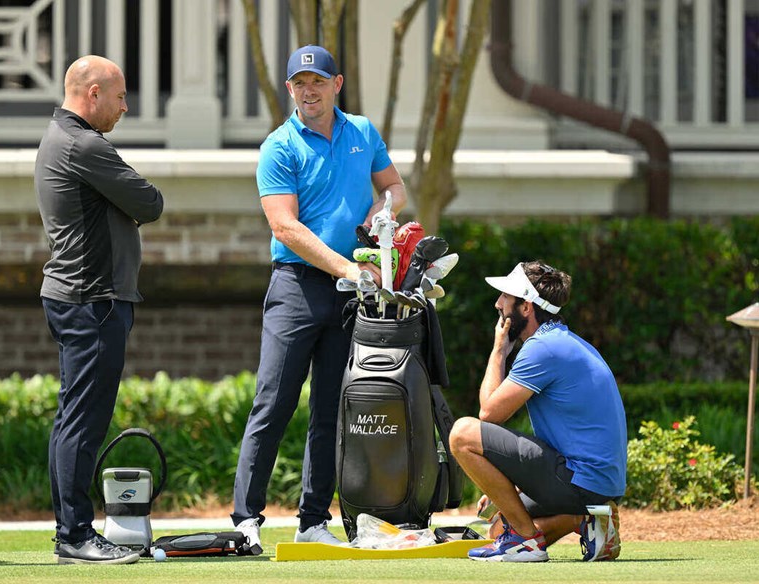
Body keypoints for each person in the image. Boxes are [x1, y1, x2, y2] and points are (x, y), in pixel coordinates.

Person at [231, 45, 408, 554]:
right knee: (274, 403)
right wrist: (349, 268)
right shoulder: (279, 146)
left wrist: (382, 212)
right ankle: (247, 517)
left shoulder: (362, 132)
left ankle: (313, 519)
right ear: (290, 89)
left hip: (350, 293)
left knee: (332, 408)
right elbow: (284, 226)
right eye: (299, 84)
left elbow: (395, 186)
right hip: (297, 288)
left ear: (338, 84)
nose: (309, 91)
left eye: (318, 82)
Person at [35, 55, 164, 565]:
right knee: (82, 423)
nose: (125, 107)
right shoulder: (83, 144)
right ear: (92, 94)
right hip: (92, 302)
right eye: (120, 96)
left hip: (80, 299)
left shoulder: (59, 138)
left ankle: (72, 531)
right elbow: (151, 203)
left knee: (73, 419)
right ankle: (74, 536)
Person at [448, 261, 626, 562]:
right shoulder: (564, 341)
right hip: (597, 485)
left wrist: (499, 351)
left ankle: (526, 541)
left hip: (581, 481)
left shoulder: (541, 348)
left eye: (505, 297)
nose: (498, 304)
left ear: (526, 307)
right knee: (498, 527)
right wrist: (508, 483)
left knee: (462, 434)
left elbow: (488, 413)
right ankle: (584, 520)